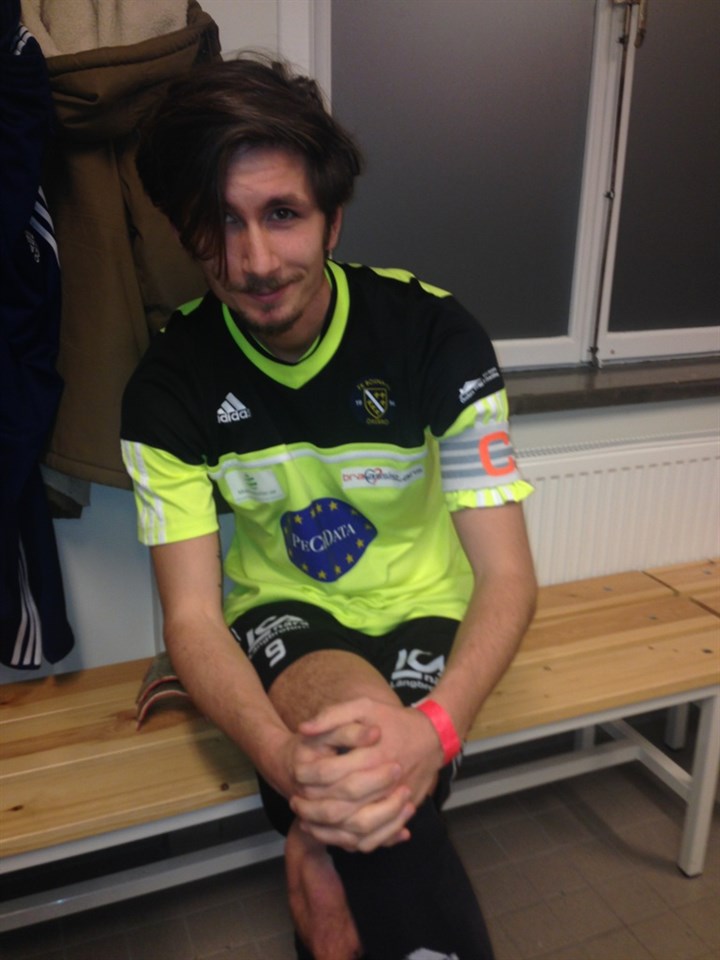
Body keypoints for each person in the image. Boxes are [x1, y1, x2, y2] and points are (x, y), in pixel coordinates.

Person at [121, 56, 537, 960]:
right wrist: (286, 766)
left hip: (428, 605)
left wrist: (435, 730)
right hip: (287, 613)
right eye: (220, 223)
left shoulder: (434, 335)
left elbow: (508, 574)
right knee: (357, 765)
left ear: (333, 218)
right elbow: (191, 619)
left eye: (282, 214)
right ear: (187, 232)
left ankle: (317, 860)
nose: (255, 262)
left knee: (350, 836)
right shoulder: (167, 385)